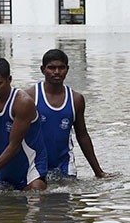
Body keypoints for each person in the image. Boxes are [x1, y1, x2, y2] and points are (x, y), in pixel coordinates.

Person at [26, 49, 106, 178]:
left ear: (67, 69)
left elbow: (82, 135)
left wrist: (98, 172)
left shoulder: (76, 99)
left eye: (61, 68)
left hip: (65, 164)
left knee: (66, 196)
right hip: (35, 163)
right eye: (51, 68)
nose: (56, 72)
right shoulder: (30, 97)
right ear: (42, 70)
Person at [0, 57, 48, 191]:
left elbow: (14, 146)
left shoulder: (23, 103)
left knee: (36, 192)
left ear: (9, 79)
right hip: (4, 166)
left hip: (30, 168)